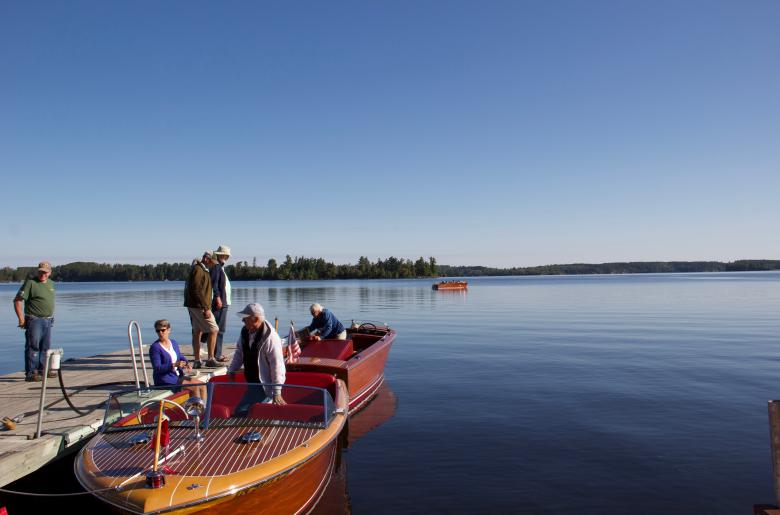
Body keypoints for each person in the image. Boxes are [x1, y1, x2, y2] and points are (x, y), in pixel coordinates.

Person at [227, 303, 286, 414]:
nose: (243, 321)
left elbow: (277, 366)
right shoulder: (245, 331)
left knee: (241, 412)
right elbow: (239, 352)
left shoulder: (271, 338)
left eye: (245, 319)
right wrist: (232, 369)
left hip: (264, 385)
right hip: (251, 382)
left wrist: (277, 392)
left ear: (256, 319)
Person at [14, 261, 56, 382]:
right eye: (41, 272)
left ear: (50, 273)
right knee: (33, 347)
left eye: (45, 272)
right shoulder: (30, 283)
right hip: (34, 320)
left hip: (48, 320)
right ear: (38, 271)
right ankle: (31, 372)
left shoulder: (52, 284)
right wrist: (21, 319)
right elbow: (17, 301)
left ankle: (43, 370)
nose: (43, 274)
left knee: (45, 348)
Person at [148, 319, 207, 400]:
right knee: (194, 388)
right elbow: (157, 368)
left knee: (203, 385)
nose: (160, 333)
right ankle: (195, 411)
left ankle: (203, 409)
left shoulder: (173, 343)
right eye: (158, 331)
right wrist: (174, 365)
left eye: (162, 330)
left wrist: (186, 363)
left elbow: (179, 356)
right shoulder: (155, 348)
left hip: (177, 376)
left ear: (169, 330)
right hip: (165, 380)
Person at [184, 251, 219, 368]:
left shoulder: (201, 269)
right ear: (206, 259)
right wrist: (205, 307)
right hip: (199, 306)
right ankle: (210, 359)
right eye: (213, 262)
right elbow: (196, 289)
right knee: (214, 329)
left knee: (197, 331)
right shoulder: (198, 269)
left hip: (195, 305)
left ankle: (197, 361)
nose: (214, 264)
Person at [210, 245, 232, 363]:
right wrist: (218, 298)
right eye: (226, 255)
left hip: (224, 302)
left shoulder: (219, 267)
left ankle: (216, 353)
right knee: (219, 329)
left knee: (220, 329)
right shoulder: (216, 267)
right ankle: (216, 355)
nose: (227, 258)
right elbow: (214, 285)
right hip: (220, 302)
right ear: (221, 255)